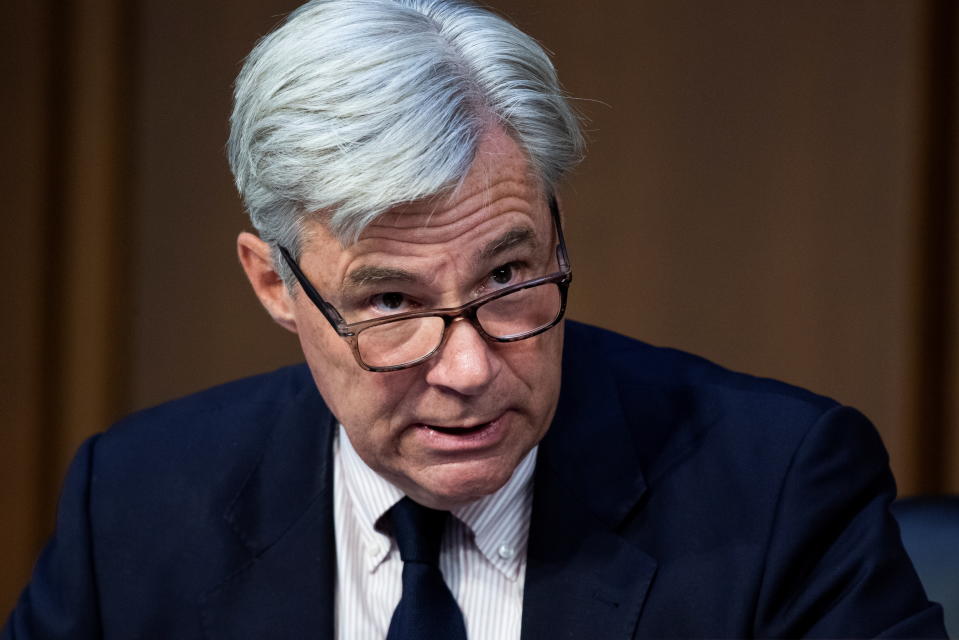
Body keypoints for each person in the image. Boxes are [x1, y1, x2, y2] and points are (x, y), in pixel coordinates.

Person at [3, 0, 948, 638]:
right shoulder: (133, 508)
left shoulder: (780, 491)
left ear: (556, 233)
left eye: (506, 275)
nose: (466, 369)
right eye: (389, 303)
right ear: (276, 286)